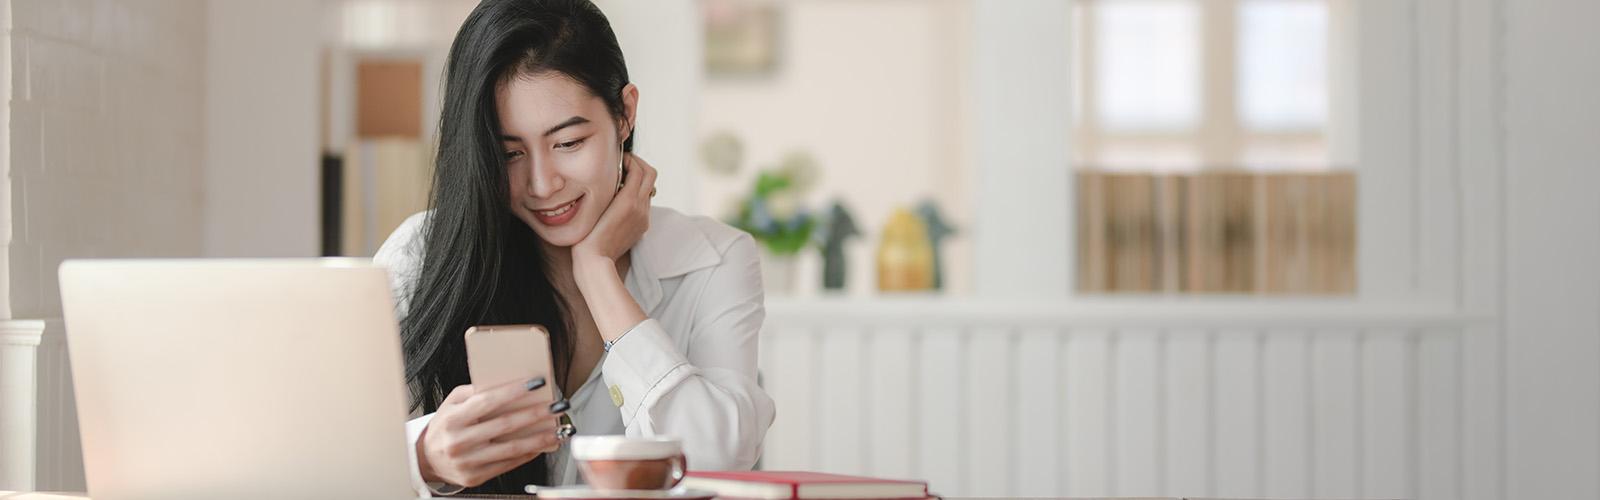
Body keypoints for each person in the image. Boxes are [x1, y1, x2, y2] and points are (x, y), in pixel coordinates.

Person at [371, 0, 775, 495]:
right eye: (509, 154)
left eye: (568, 143)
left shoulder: (713, 260)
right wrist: (423, 455)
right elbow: (327, 456)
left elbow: (717, 460)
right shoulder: (422, 254)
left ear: (625, 114)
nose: (541, 184)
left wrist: (598, 272)